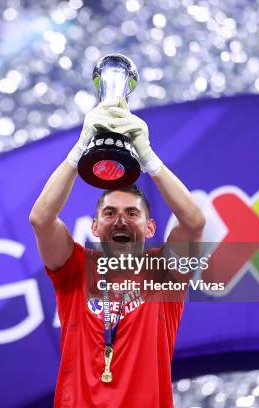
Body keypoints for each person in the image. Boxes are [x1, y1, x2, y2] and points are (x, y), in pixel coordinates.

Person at [29, 97, 206, 407]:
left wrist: (149, 157)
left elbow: (193, 221)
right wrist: (81, 147)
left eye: (131, 213)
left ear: (150, 228)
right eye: (110, 213)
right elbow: (41, 219)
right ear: (95, 227)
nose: (121, 219)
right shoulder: (75, 267)